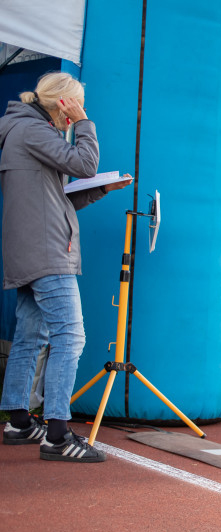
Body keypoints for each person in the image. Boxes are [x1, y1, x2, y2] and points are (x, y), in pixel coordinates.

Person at [0, 72, 132, 463]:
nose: (76, 111)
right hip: (46, 253)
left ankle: (19, 421)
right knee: (70, 337)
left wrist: (101, 189)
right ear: (63, 104)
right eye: (75, 104)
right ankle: (57, 435)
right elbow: (86, 163)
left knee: (31, 336)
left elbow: (52, 201)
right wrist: (83, 123)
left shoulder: (20, 130)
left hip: (30, 249)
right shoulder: (34, 132)